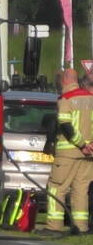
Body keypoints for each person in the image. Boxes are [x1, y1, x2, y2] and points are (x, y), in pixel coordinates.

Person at [42, 68, 93, 235]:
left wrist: (81, 144)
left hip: (69, 152)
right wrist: (89, 145)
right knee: (81, 190)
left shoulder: (66, 98)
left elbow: (65, 124)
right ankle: (81, 227)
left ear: (64, 81)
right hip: (88, 155)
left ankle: (54, 227)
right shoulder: (90, 98)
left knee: (56, 187)